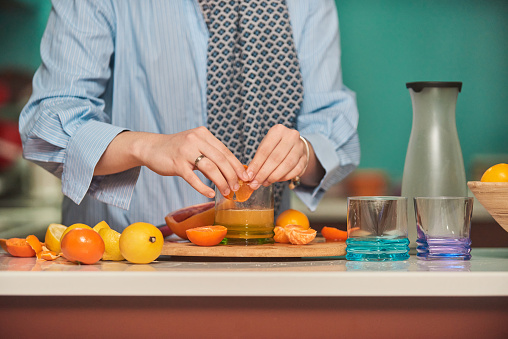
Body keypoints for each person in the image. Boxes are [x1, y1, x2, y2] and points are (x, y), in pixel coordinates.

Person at [19, 0, 360, 232]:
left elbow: (335, 136)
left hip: (258, 259)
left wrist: (301, 152)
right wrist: (146, 147)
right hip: (127, 264)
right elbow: (48, 123)